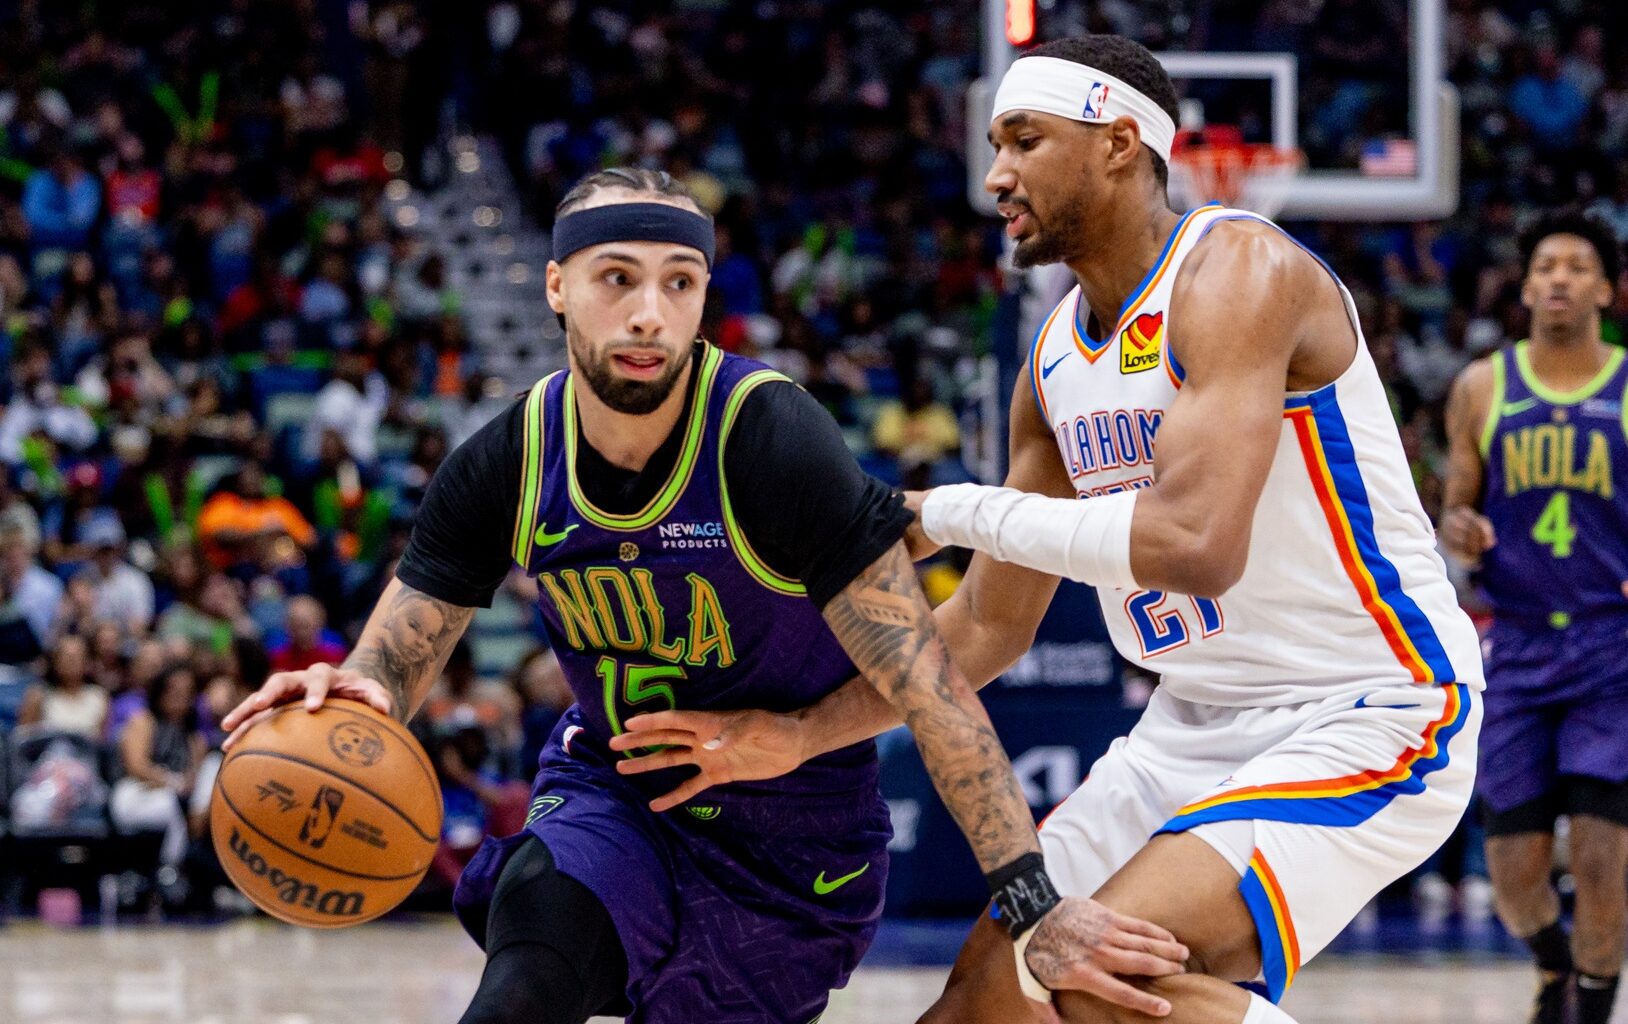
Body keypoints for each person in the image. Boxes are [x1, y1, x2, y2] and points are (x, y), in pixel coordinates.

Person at [609, 37, 1485, 1024]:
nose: (994, 175)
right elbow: (987, 627)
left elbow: (1195, 546)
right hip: (1185, 724)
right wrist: (792, 736)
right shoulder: (1053, 359)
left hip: (1365, 704)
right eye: (992, 144)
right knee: (978, 999)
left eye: (1023, 140)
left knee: (1086, 975)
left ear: (1118, 142)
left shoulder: (1238, 270)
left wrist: (943, 509)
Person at [220, 167, 1185, 1024]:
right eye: (618, 279)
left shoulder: (769, 441)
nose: (649, 312)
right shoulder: (509, 458)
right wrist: (351, 699)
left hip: (792, 842)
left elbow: (930, 684)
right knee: (531, 961)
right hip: (620, 794)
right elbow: (395, 658)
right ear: (557, 287)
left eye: (679, 283)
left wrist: (1032, 903)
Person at [1440, 210, 1628, 1024]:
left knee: (1600, 854)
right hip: (1513, 645)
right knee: (1513, 870)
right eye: (1546, 264)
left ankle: (1590, 1006)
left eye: (1578, 265)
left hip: (1610, 647)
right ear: (1524, 287)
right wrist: (1461, 528)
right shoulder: (1482, 385)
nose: (1558, 277)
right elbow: (1455, 507)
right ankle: (1557, 966)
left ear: (1606, 289)